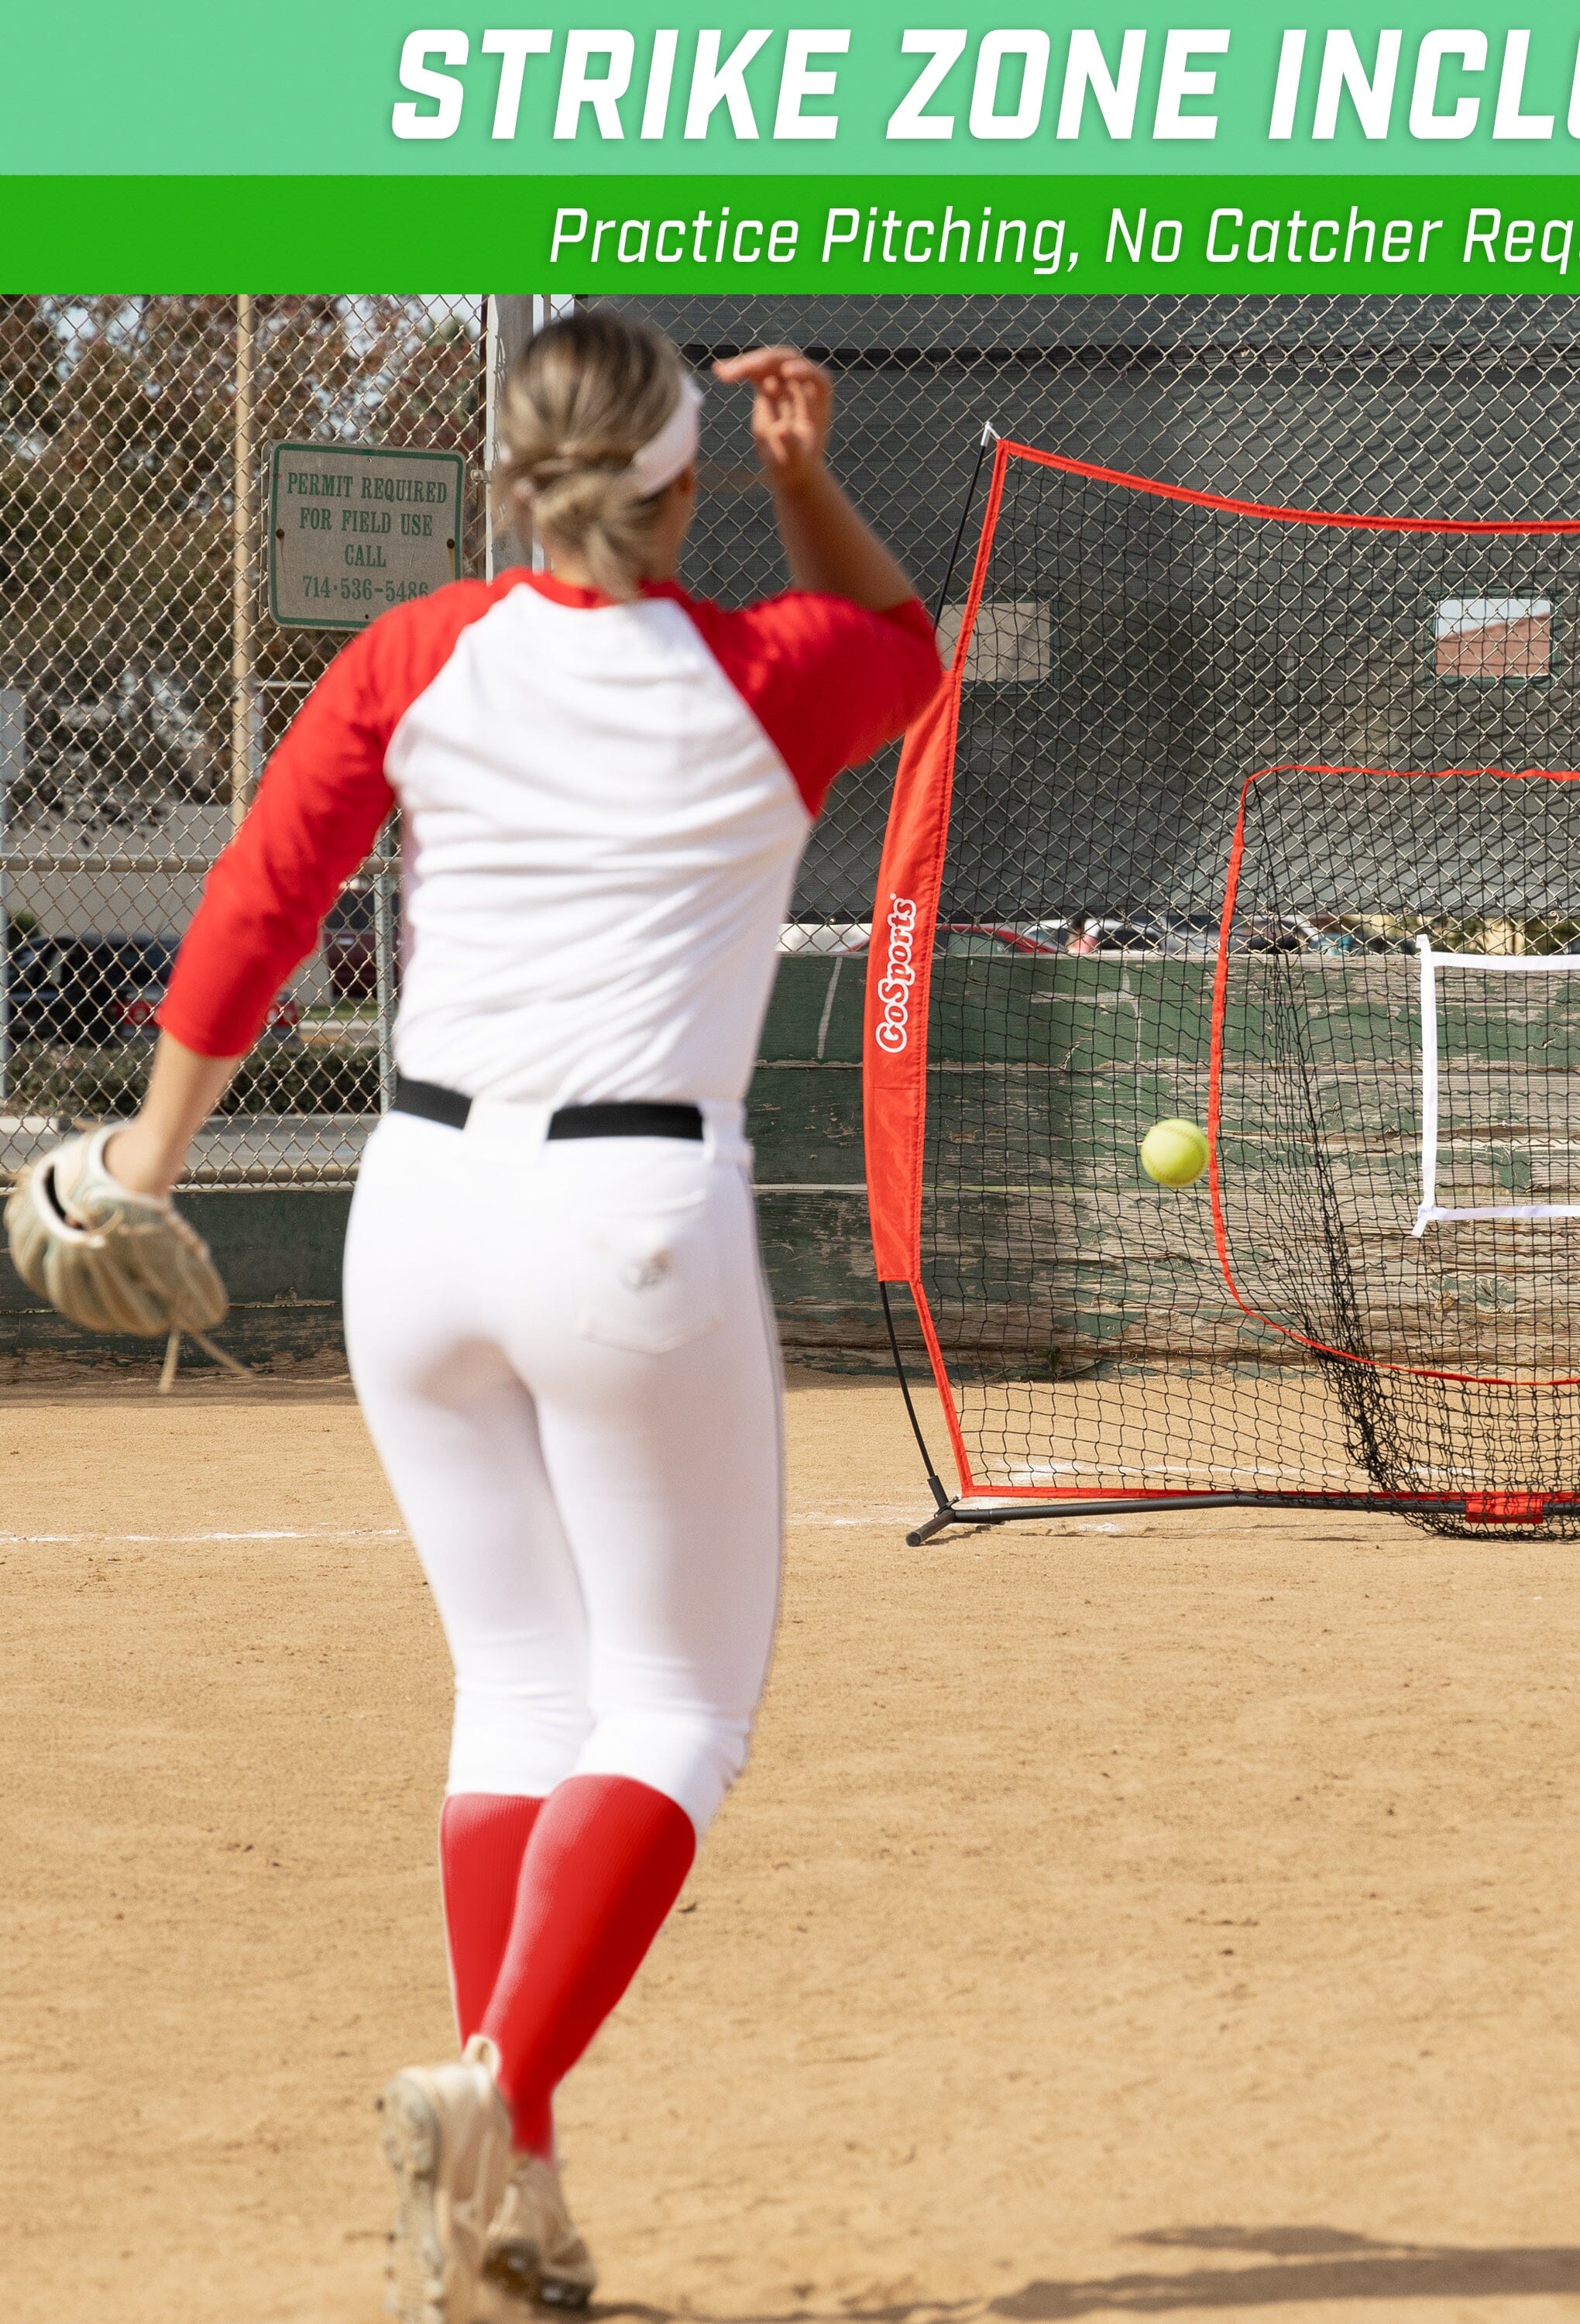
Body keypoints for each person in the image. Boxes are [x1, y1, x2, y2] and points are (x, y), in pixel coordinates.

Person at [97, 311, 941, 2321]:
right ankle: (495, 2094)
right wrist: (807, 478)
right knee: (674, 1713)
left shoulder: (419, 654)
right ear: (679, 479)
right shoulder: (768, 671)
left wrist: (143, 1165)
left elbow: (260, 904)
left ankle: (512, 2197)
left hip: (417, 1215)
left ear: (516, 468)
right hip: (627, 1222)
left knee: (517, 1694)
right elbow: (909, 651)